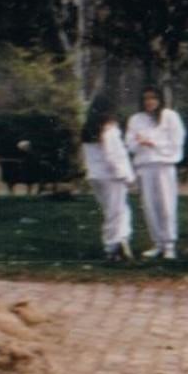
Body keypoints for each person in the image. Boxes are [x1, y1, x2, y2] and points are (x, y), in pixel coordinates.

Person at [125, 85, 186, 260]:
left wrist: (153, 143)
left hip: (164, 166)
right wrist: (140, 143)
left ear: (159, 99)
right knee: (150, 207)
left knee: (167, 205)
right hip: (145, 167)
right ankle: (158, 243)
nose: (149, 102)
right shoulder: (136, 119)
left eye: (153, 98)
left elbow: (177, 142)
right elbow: (130, 144)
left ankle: (169, 245)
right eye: (146, 98)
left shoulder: (170, 117)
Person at [81, 94, 134, 261]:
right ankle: (112, 246)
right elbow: (113, 156)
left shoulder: (88, 129)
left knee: (115, 211)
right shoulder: (109, 129)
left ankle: (121, 240)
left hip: (95, 176)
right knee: (115, 212)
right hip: (111, 176)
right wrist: (125, 175)